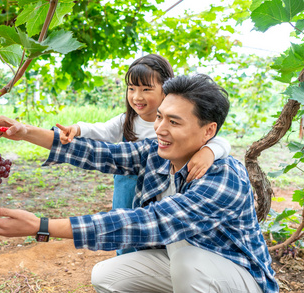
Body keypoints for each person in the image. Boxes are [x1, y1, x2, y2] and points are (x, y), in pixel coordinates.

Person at [0, 74, 279, 293]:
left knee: (188, 261)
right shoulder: (156, 152)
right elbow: (98, 153)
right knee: (107, 276)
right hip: (189, 270)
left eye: (174, 122)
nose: (159, 129)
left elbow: (152, 222)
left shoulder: (224, 176)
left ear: (209, 130)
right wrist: (25, 132)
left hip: (241, 282)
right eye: (159, 118)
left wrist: (42, 226)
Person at [57, 54, 231, 255]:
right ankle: (128, 265)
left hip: (158, 187)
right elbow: (102, 131)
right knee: (124, 228)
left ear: (166, 90)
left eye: (146, 89)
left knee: (156, 228)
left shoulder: (181, 122)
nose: (137, 97)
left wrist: (208, 152)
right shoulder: (127, 120)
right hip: (128, 185)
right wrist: (77, 129)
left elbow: (219, 140)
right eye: (132, 89)